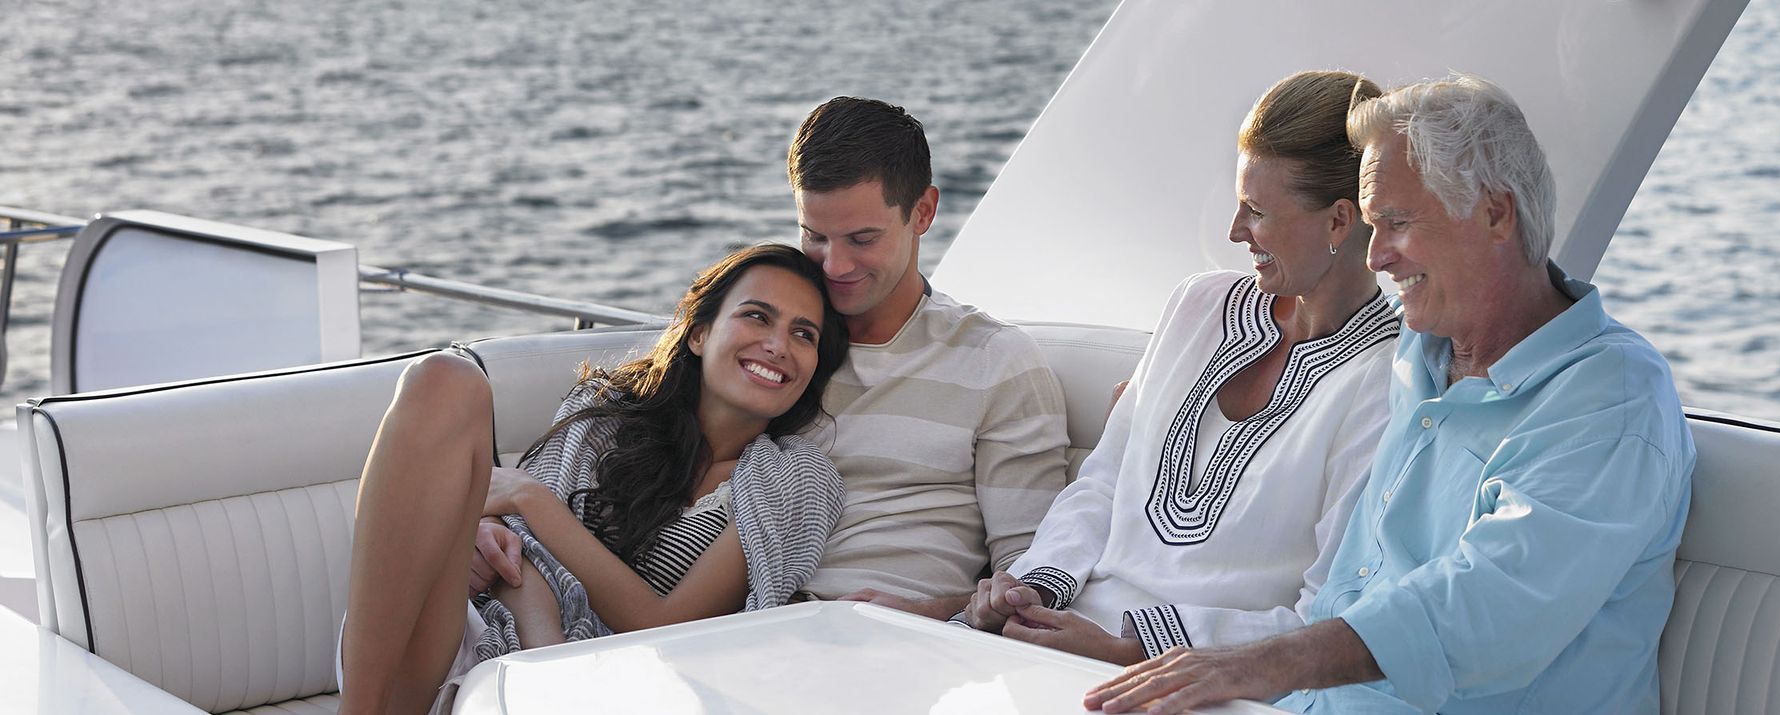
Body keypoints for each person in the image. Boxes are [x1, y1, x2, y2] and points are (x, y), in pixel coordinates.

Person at [1085, 74, 1695, 715]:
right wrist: (1151, 415)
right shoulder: (1416, 347)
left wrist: (1259, 664)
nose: (1375, 258)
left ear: (1495, 214)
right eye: (1372, 226)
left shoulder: (1611, 398)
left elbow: (1490, 606)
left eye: (1397, 224)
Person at [956, 71, 1399, 666]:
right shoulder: (1198, 304)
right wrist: (1031, 589)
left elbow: (1322, 615)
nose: (1235, 231)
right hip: (1058, 629)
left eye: (1256, 211)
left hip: (1195, 677)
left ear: (1339, 222)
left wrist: (1130, 650)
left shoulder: (1385, 381)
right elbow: (1104, 481)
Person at [337, 244, 851, 715]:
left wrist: (532, 501)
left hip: (605, 688)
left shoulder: (794, 480)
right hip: (468, 637)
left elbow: (666, 628)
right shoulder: (603, 416)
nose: (777, 345)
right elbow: (515, 546)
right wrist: (487, 534)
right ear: (699, 333)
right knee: (444, 379)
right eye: (757, 316)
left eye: (803, 334)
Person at [785, 96, 1074, 617]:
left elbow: (1033, 577)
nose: (834, 265)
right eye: (815, 237)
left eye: (862, 239)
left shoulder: (996, 362)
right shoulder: (773, 349)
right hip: (748, 620)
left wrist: (928, 613)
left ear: (922, 212)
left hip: (900, 640)